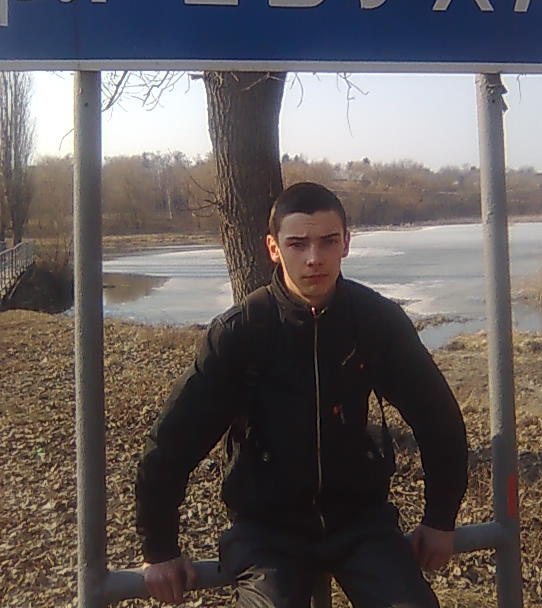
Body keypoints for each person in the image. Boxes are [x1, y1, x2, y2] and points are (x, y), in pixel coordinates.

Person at [136, 182, 468, 607]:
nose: (314, 258)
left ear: (346, 243)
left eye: (328, 241)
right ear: (273, 249)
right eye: (297, 244)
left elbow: (438, 418)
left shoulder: (375, 322)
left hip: (360, 522)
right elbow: (172, 443)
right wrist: (160, 547)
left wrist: (440, 518)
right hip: (265, 530)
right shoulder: (241, 333)